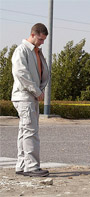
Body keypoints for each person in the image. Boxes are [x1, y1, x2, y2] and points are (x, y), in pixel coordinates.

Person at [11, 23, 50, 177]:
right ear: (33, 34)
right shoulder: (21, 51)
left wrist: (38, 90)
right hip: (25, 96)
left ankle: (22, 165)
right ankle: (32, 167)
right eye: (40, 39)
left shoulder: (36, 52)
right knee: (30, 132)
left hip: (30, 97)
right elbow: (21, 73)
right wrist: (37, 90)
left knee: (24, 131)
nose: (42, 42)